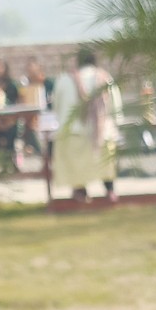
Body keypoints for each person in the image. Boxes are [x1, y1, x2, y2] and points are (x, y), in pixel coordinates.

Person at [51, 46, 121, 199]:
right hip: (102, 133)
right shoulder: (105, 78)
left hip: (73, 133)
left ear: (77, 61)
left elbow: (56, 107)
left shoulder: (64, 79)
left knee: (76, 163)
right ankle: (109, 190)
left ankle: (80, 191)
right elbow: (116, 107)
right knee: (105, 164)